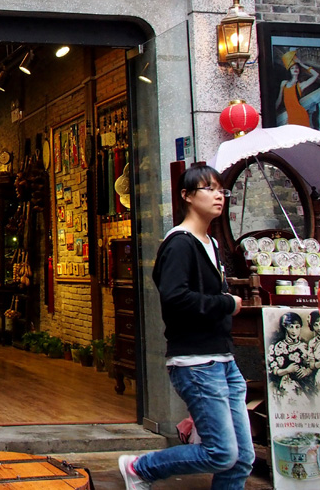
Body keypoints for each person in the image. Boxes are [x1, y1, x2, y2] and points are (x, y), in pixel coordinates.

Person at [119, 164, 253, 489]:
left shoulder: (211, 244)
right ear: (187, 196)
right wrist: (226, 303)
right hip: (197, 362)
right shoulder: (180, 243)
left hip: (223, 359)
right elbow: (175, 298)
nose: (218, 195)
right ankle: (140, 468)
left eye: (221, 189)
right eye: (209, 189)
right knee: (221, 453)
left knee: (241, 458)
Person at [268, 311, 312, 400]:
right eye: (291, 327)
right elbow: (274, 371)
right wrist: (287, 370)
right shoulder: (277, 347)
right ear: (285, 327)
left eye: (297, 327)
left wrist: (307, 371)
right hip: (284, 383)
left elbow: (311, 366)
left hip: (304, 384)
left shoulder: (305, 346)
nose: (294, 331)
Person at [276, 50, 319, 127]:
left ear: (299, 70)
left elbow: (316, 75)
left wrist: (301, 64)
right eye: (292, 68)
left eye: (297, 68)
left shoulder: (301, 85)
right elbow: (279, 99)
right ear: (289, 71)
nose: (295, 69)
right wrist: (273, 111)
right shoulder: (284, 83)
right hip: (291, 117)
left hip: (301, 115)